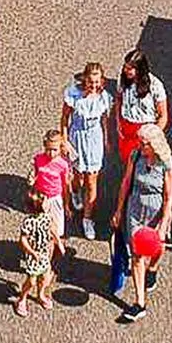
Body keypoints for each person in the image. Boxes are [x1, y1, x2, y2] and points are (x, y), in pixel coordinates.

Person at [112, 123, 172, 321]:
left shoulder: (166, 164)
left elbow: (168, 197)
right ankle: (140, 303)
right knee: (138, 255)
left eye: (144, 143)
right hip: (136, 209)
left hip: (157, 211)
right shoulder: (135, 156)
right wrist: (119, 210)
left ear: (155, 145)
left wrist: (163, 225)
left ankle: (154, 268)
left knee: (158, 248)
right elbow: (125, 183)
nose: (140, 146)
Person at [60, 62, 112, 240]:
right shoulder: (73, 95)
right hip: (77, 138)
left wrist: (105, 139)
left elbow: (104, 119)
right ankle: (75, 192)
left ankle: (87, 219)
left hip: (94, 139)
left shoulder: (104, 97)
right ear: (85, 80)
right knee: (78, 176)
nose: (94, 86)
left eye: (97, 82)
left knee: (91, 181)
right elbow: (65, 118)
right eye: (91, 82)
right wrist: (64, 140)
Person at [116, 48, 169, 167]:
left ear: (140, 68)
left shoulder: (155, 85)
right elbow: (119, 98)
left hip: (146, 129)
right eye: (125, 67)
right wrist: (118, 121)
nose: (126, 71)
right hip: (127, 128)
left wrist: (153, 136)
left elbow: (163, 115)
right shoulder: (123, 80)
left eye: (130, 68)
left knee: (145, 164)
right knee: (129, 162)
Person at [14, 189, 62, 315]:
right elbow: (23, 239)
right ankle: (22, 298)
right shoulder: (28, 222)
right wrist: (31, 252)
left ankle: (40, 295)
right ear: (37, 206)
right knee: (31, 281)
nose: (47, 203)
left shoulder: (46, 217)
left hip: (45, 253)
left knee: (45, 277)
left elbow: (52, 229)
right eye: (45, 201)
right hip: (34, 255)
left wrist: (59, 243)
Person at [31, 128, 73, 243]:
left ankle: (51, 251)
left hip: (55, 198)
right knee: (41, 228)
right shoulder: (38, 159)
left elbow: (65, 186)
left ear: (60, 148)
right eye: (48, 149)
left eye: (55, 150)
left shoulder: (63, 164)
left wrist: (66, 205)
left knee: (56, 230)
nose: (51, 153)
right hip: (41, 198)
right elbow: (35, 178)